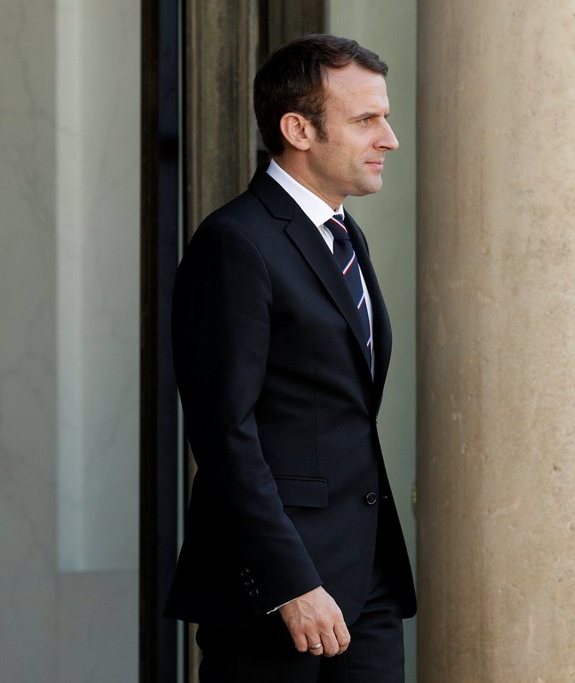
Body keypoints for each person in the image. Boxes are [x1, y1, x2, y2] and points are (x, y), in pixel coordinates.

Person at [164, 34, 417, 682]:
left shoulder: (343, 235)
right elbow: (225, 433)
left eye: (384, 118)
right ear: (298, 128)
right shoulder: (236, 243)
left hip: (367, 585)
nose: (388, 138)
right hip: (276, 597)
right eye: (366, 120)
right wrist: (289, 582)